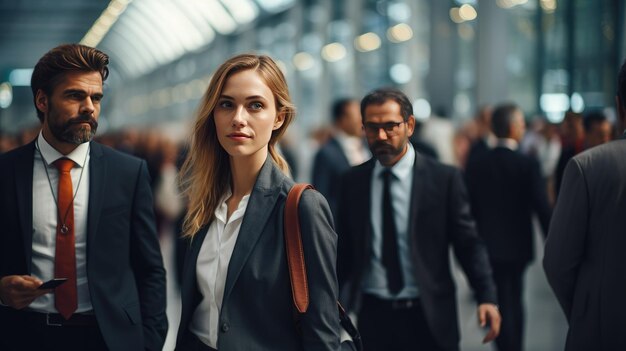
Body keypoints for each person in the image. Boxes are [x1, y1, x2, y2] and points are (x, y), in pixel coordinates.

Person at [0, 44, 167, 351]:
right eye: (75, 95)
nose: (90, 107)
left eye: (96, 97)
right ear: (42, 100)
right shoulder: (6, 172)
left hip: (108, 338)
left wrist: (150, 342)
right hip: (24, 336)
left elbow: (150, 269)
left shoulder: (127, 172)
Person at [175, 54, 341, 351]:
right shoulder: (203, 204)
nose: (238, 118)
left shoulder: (302, 207)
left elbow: (322, 329)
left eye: (255, 105)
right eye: (226, 104)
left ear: (279, 117)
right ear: (213, 114)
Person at [337, 87, 500, 351]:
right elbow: (342, 250)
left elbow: (467, 243)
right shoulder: (352, 182)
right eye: (372, 127)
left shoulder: (443, 179)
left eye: (390, 126)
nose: (380, 136)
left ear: (409, 125)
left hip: (429, 314)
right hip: (373, 316)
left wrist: (487, 296)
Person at [543, 60, 626, 350]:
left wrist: (586, 309)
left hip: (604, 328)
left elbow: (557, 263)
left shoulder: (588, 166)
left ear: (619, 107)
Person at [465, 103, 552, 351]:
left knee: (497, 298)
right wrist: (554, 241)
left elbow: (468, 208)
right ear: (513, 127)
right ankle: (515, 346)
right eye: (522, 124)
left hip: (486, 245)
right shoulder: (527, 164)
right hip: (518, 245)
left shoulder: (477, 163)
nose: (523, 128)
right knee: (515, 297)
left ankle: (503, 345)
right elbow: (541, 208)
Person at [312, 98, 370, 217]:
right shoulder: (326, 153)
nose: (362, 120)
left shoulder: (368, 147)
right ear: (342, 120)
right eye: (357, 115)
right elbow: (321, 196)